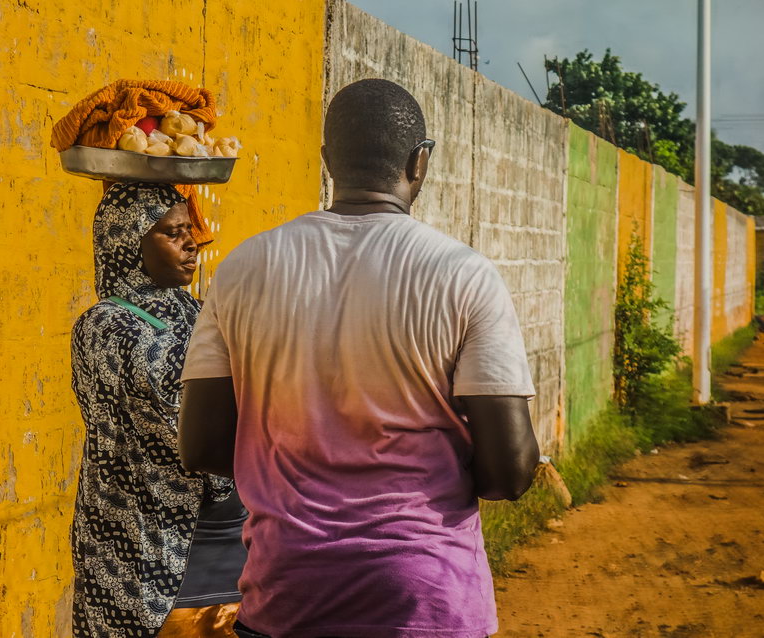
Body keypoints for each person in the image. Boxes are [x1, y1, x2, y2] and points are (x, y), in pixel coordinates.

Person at [177, 79, 540, 638]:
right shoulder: (463, 275)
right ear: (420, 163)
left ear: (328, 161)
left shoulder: (242, 269)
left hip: (286, 594)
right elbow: (511, 473)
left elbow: (201, 446)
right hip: (425, 598)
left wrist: (289, 472)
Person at [70, 182, 247, 638]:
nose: (191, 242)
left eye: (189, 229)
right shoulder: (106, 324)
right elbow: (180, 410)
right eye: (172, 233)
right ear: (128, 244)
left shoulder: (194, 311)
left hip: (229, 544)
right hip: (146, 548)